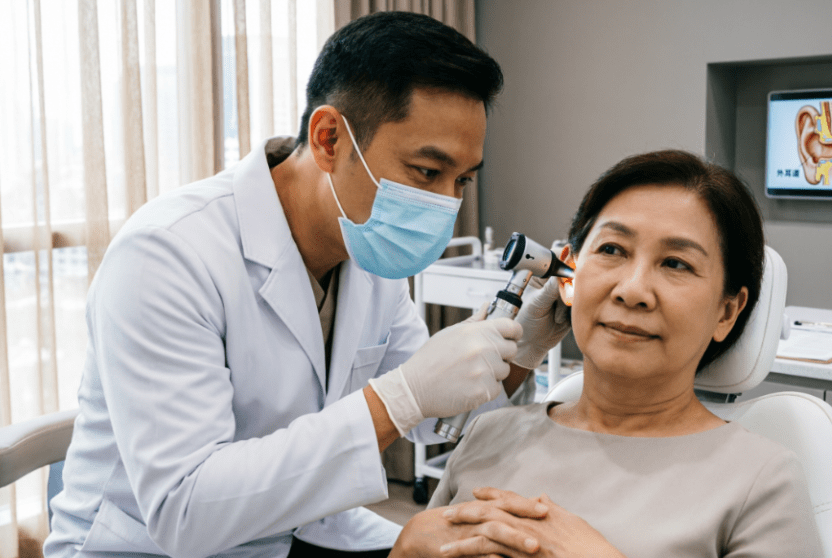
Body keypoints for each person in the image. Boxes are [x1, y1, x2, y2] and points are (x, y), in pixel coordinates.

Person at [44, 12, 569, 558]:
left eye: (460, 179)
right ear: (329, 139)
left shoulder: (366, 250)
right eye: (425, 171)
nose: (444, 204)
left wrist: (521, 353)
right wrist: (396, 397)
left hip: (296, 530)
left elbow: (438, 420)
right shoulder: (168, 254)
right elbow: (185, 511)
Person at [391, 150, 823, 558]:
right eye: (612, 250)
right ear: (567, 276)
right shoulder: (490, 433)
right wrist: (406, 544)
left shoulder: (763, 480)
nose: (632, 290)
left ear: (727, 312)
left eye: (675, 263)